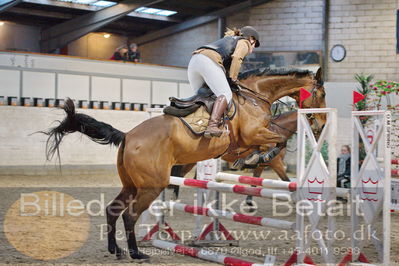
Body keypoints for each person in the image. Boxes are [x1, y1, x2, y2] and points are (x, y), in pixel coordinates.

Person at [188, 26, 260, 138]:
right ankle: (212, 126)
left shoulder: (230, 40)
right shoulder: (244, 42)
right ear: (251, 39)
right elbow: (237, 58)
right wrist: (234, 78)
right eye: (255, 44)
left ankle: (195, 124)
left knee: (202, 97)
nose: (253, 48)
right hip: (208, 61)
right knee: (226, 94)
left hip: (194, 61)